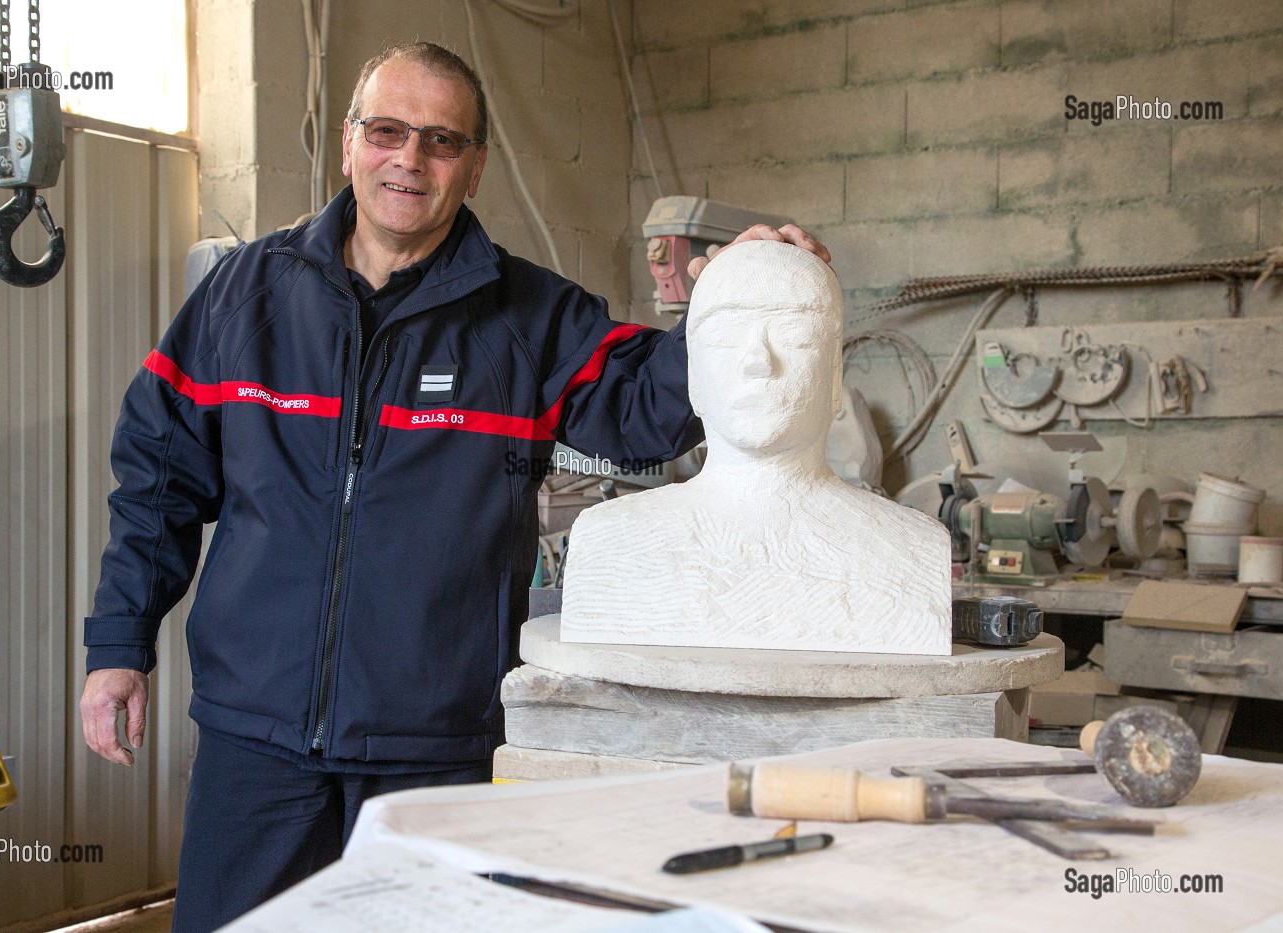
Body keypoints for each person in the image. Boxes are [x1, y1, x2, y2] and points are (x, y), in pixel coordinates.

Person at [79, 41, 828, 931]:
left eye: (441, 141)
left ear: (473, 168)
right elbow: (160, 482)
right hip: (256, 743)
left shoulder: (530, 318)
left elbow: (644, 411)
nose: (410, 158)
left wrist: (735, 301)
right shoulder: (243, 298)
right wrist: (119, 644)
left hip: (437, 749)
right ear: (350, 143)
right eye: (388, 131)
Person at [561, 240, 951, 656]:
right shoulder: (615, 545)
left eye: (794, 335)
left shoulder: (907, 551)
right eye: (726, 336)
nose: (758, 361)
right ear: (693, 376)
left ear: (835, 374)